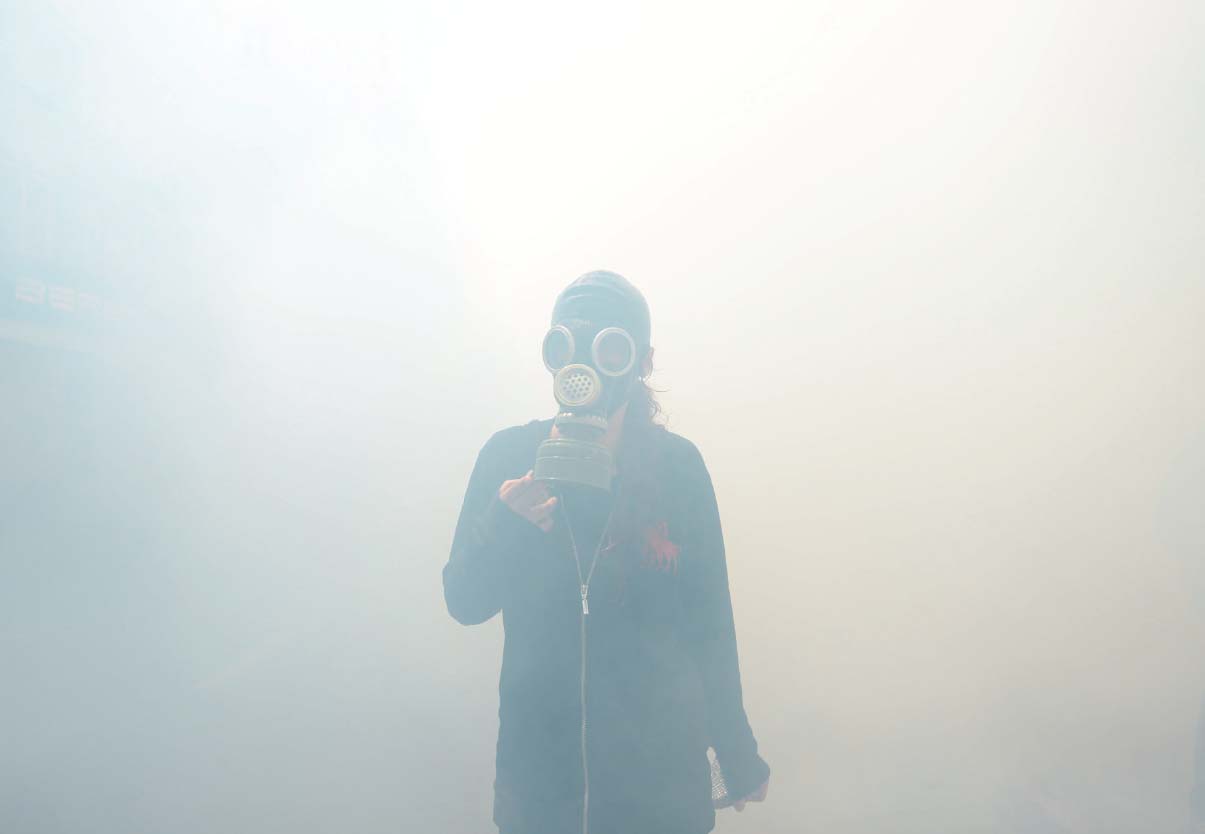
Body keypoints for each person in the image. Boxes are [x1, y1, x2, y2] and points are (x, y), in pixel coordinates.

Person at [443, 271, 770, 834]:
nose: (587, 369)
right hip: (540, 790)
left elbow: (710, 619)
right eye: (567, 344)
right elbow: (464, 600)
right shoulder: (511, 460)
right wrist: (506, 522)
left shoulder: (676, 470)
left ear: (642, 361)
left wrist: (735, 749)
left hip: (659, 791)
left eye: (610, 348)